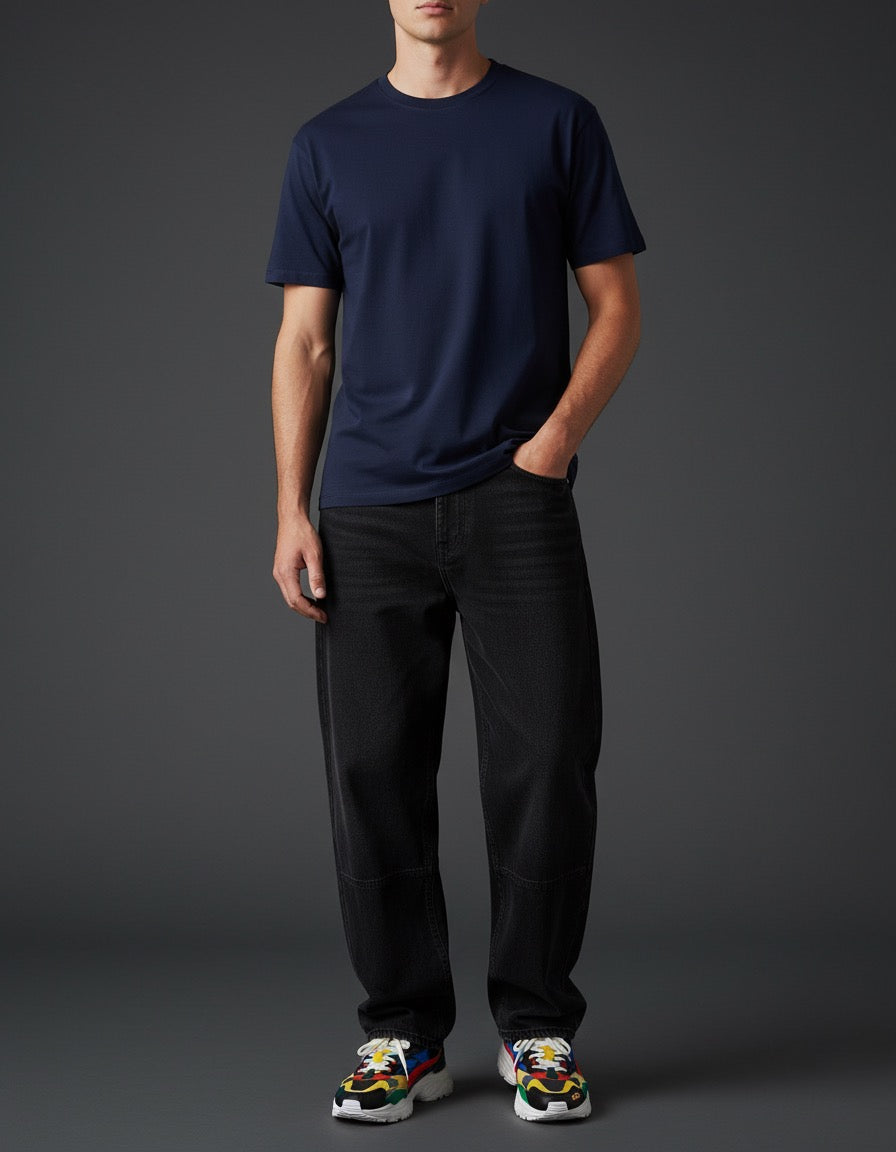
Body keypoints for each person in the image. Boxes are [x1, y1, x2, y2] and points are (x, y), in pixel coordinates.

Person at [264, 0, 645, 1125]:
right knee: (371, 774)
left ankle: (536, 1029)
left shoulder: (557, 123)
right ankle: (402, 1033)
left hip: (515, 500)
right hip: (367, 508)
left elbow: (616, 306)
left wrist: (553, 444)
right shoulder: (325, 145)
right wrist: (289, 508)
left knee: (548, 763)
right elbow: (306, 341)